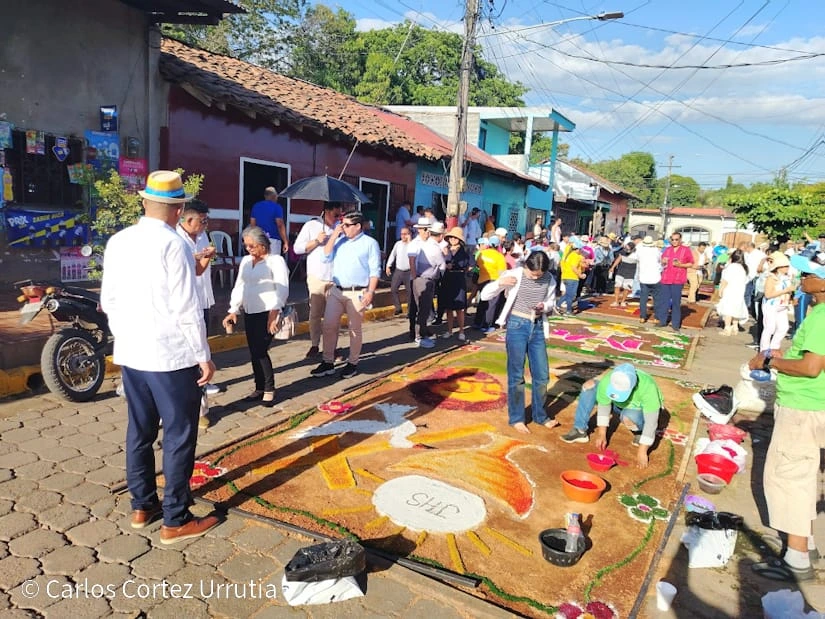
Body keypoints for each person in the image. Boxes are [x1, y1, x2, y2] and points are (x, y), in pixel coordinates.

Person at [100, 170, 219, 543]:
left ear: (143, 201)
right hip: (170, 356)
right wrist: (203, 355)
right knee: (180, 435)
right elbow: (186, 307)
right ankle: (176, 517)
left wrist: (127, 338)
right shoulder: (174, 244)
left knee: (140, 430)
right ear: (179, 208)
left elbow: (109, 301)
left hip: (134, 354)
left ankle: (142, 504)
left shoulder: (118, 241)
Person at [748, 251, 825, 583]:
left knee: (789, 479)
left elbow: (811, 368)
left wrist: (769, 363)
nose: (802, 279)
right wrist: (785, 354)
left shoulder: (822, 317)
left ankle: (796, 560)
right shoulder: (818, 312)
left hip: (803, 408)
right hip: (808, 405)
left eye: (809, 275)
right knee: (802, 476)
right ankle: (803, 543)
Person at [482, 250, 558, 434]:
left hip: (538, 326)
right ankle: (517, 418)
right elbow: (485, 295)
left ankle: (540, 416)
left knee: (542, 375)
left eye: (539, 274)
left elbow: (551, 303)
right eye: (532, 273)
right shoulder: (514, 274)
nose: (535, 277)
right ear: (526, 266)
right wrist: (500, 283)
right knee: (516, 375)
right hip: (517, 325)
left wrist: (544, 306)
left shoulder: (549, 279)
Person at [310, 211, 381, 379]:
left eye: (347, 225)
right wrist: (334, 235)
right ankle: (328, 361)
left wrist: (371, 291)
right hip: (337, 290)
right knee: (328, 325)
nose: (343, 228)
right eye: (342, 224)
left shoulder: (370, 243)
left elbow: (374, 270)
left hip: (357, 291)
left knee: (354, 329)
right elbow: (325, 256)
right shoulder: (340, 240)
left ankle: (352, 363)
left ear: (358, 226)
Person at [222, 226, 289, 403]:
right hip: (250, 310)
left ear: (262, 245)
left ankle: (269, 388)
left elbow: (282, 288)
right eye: (247, 246)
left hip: (267, 311)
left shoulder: (275, 261)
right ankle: (259, 387)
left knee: (261, 351)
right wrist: (233, 309)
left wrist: (274, 313)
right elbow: (240, 285)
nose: (248, 249)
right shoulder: (246, 261)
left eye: (252, 246)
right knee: (253, 351)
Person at [560, 363, 663, 469]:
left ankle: (639, 432)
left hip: (636, 410)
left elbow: (651, 421)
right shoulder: (607, 381)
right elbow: (604, 406)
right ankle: (580, 430)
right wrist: (602, 434)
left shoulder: (647, 387)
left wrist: (642, 451)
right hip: (617, 406)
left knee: (629, 417)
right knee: (589, 386)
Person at [176, 200, 219, 427]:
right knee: (183, 360)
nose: (205, 225)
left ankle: (201, 410)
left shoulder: (202, 236)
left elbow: (200, 271)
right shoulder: (175, 238)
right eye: (202, 221)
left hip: (201, 300)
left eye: (206, 221)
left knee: (201, 354)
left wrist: (206, 256)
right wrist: (197, 257)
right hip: (181, 306)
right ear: (188, 220)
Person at [293, 202, 341, 359]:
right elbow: (297, 249)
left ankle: (332, 347)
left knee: (333, 316)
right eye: (335, 214)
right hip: (316, 276)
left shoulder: (340, 227)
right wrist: (316, 241)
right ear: (326, 211)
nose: (337, 218)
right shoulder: (311, 225)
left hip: (335, 277)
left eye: (339, 215)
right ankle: (314, 344)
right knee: (315, 313)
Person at [410, 218, 445, 348]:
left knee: (424, 310)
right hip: (423, 279)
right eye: (424, 229)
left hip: (425, 278)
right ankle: (419, 336)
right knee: (422, 310)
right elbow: (441, 265)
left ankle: (422, 333)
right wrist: (415, 277)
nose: (426, 232)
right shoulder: (422, 244)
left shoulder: (428, 244)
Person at [655, 231, 694, 333]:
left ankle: (675, 323)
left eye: (676, 239)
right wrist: (663, 262)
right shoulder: (667, 250)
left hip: (678, 279)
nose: (674, 241)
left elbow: (691, 263)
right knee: (664, 301)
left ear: (680, 240)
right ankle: (662, 321)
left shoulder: (686, 250)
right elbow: (662, 261)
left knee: (676, 302)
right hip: (666, 278)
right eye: (672, 239)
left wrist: (681, 265)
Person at [759, 251, 796, 351]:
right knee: (769, 328)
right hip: (771, 305)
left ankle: (774, 347)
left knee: (783, 327)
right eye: (784, 266)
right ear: (778, 267)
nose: (787, 268)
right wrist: (785, 290)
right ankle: (764, 350)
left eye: (787, 266)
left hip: (782, 305)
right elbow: (768, 294)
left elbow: (789, 290)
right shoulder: (771, 278)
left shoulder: (786, 278)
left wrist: (791, 297)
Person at [439, 227, 471, 341]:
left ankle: (461, 331)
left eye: (455, 237)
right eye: (451, 237)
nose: (452, 239)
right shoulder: (445, 249)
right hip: (447, 277)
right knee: (448, 307)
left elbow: (468, 265)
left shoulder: (464, 251)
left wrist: (456, 266)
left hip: (458, 278)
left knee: (459, 308)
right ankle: (449, 330)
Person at [474, 235, 507, 332]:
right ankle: (486, 324)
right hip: (494, 281)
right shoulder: (499, 257)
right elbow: (502, 272)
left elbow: (478, 265)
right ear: (498, 245)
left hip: (482, 280)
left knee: (482, 302)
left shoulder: (481, 254)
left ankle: (477, 322)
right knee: (492, 303)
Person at [716, 249, 749, 336]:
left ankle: (727, 328)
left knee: (728, 309)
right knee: (736, 309)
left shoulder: (731, 267)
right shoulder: (743, 268)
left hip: (730, 290)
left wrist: (721, 290)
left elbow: (725, 280)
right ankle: (735, 327)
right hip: (739, 291)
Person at [249, 187, 288, 255]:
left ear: (265, 196)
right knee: (272, 263)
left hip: (259, 239)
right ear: (274, 196)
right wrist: (285, 241)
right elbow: (280, 225)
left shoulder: (256, 206)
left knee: (260, 263)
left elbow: (252, 224)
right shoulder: (277, 207)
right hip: (273, 240)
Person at [385, 226, 412, 316]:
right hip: (399, 270)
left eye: (405, 234)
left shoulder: (412, 245)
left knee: (409, 291)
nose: (403, 236)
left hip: (409, 271)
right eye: (402, 234)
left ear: (409, 234)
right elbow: (393, 255)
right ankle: (398, 307)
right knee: (393, 289)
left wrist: (409, 242)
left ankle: (409, 311)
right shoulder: (398, 244)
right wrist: (388, 265)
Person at [636, 236, 661, 324]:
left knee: (643, 298)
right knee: (656, 298)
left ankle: (643, 317)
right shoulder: (656, 251)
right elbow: (660, 260)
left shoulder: (639, 250)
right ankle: (656, 317)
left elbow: (638, 260)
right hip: (655, 277)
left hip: (644, 277)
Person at [557, 239, 585, 315]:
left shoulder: (567, 255)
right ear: (578, 249)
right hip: (572, 277)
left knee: (568, 294)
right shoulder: (576, 256)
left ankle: (558, 305)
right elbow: (574, 267)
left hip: (565, 276)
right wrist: (580, 275)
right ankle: (568, 310)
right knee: (571, 295)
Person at [609, 241, 637, 308]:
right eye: (626, 249)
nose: (626, 251)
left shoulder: (637, 254)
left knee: (626, 287)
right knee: (617, 285)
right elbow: (619, 259)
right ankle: (616, 301)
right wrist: (613, 267)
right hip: (621, 271)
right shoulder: (622, 252)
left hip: (631, 272)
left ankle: (623, 301)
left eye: (628, 249)